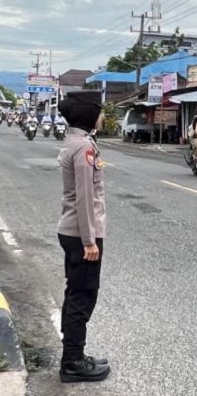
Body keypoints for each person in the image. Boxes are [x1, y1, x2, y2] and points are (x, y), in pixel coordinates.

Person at [55, 91, 111, 383]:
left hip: (74, 231)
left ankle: (73, 355)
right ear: (89, 115)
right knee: (83, 295)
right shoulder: (83, 148)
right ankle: (73, 362)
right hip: (82, 233)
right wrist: (90, 240)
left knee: (76, 291)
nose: (103, 116)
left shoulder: (76, 142)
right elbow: (85, 198)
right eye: (100, 111)